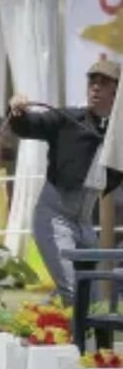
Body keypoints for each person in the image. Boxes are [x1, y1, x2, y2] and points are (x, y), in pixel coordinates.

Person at [8, 55, 122, 305]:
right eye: (92, 81)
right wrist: (17, 110)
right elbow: (28, 125)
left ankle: (41, 329)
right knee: (73, 289)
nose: (95, 87)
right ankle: (69, 338)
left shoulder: (118, 132)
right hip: (54, 218)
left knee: (91, 299)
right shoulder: (66, 119)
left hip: (84, 223)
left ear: (117, 92)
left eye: (104, 82)